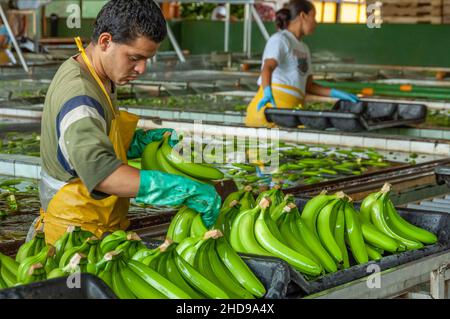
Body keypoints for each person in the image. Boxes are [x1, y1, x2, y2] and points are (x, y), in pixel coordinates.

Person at [29, 0, 221, 245]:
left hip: (98, 228)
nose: (142, 69)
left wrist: (135, 142)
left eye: (146, 59)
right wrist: (180, 188)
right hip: (74, 238)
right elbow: (103, 175)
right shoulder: (80, 97)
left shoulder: (97, 74)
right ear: (106, 42)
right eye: (134, 58)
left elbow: (86, 142)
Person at [245, 0, 359, 128]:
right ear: (303, 16)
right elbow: (268, 67)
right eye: (313, 16)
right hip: (272, 111)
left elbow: (309, 86)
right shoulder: (281, 39)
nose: (316, 22)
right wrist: (267, 93)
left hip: (291, 113)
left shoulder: (304, 48)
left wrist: (337, 93)